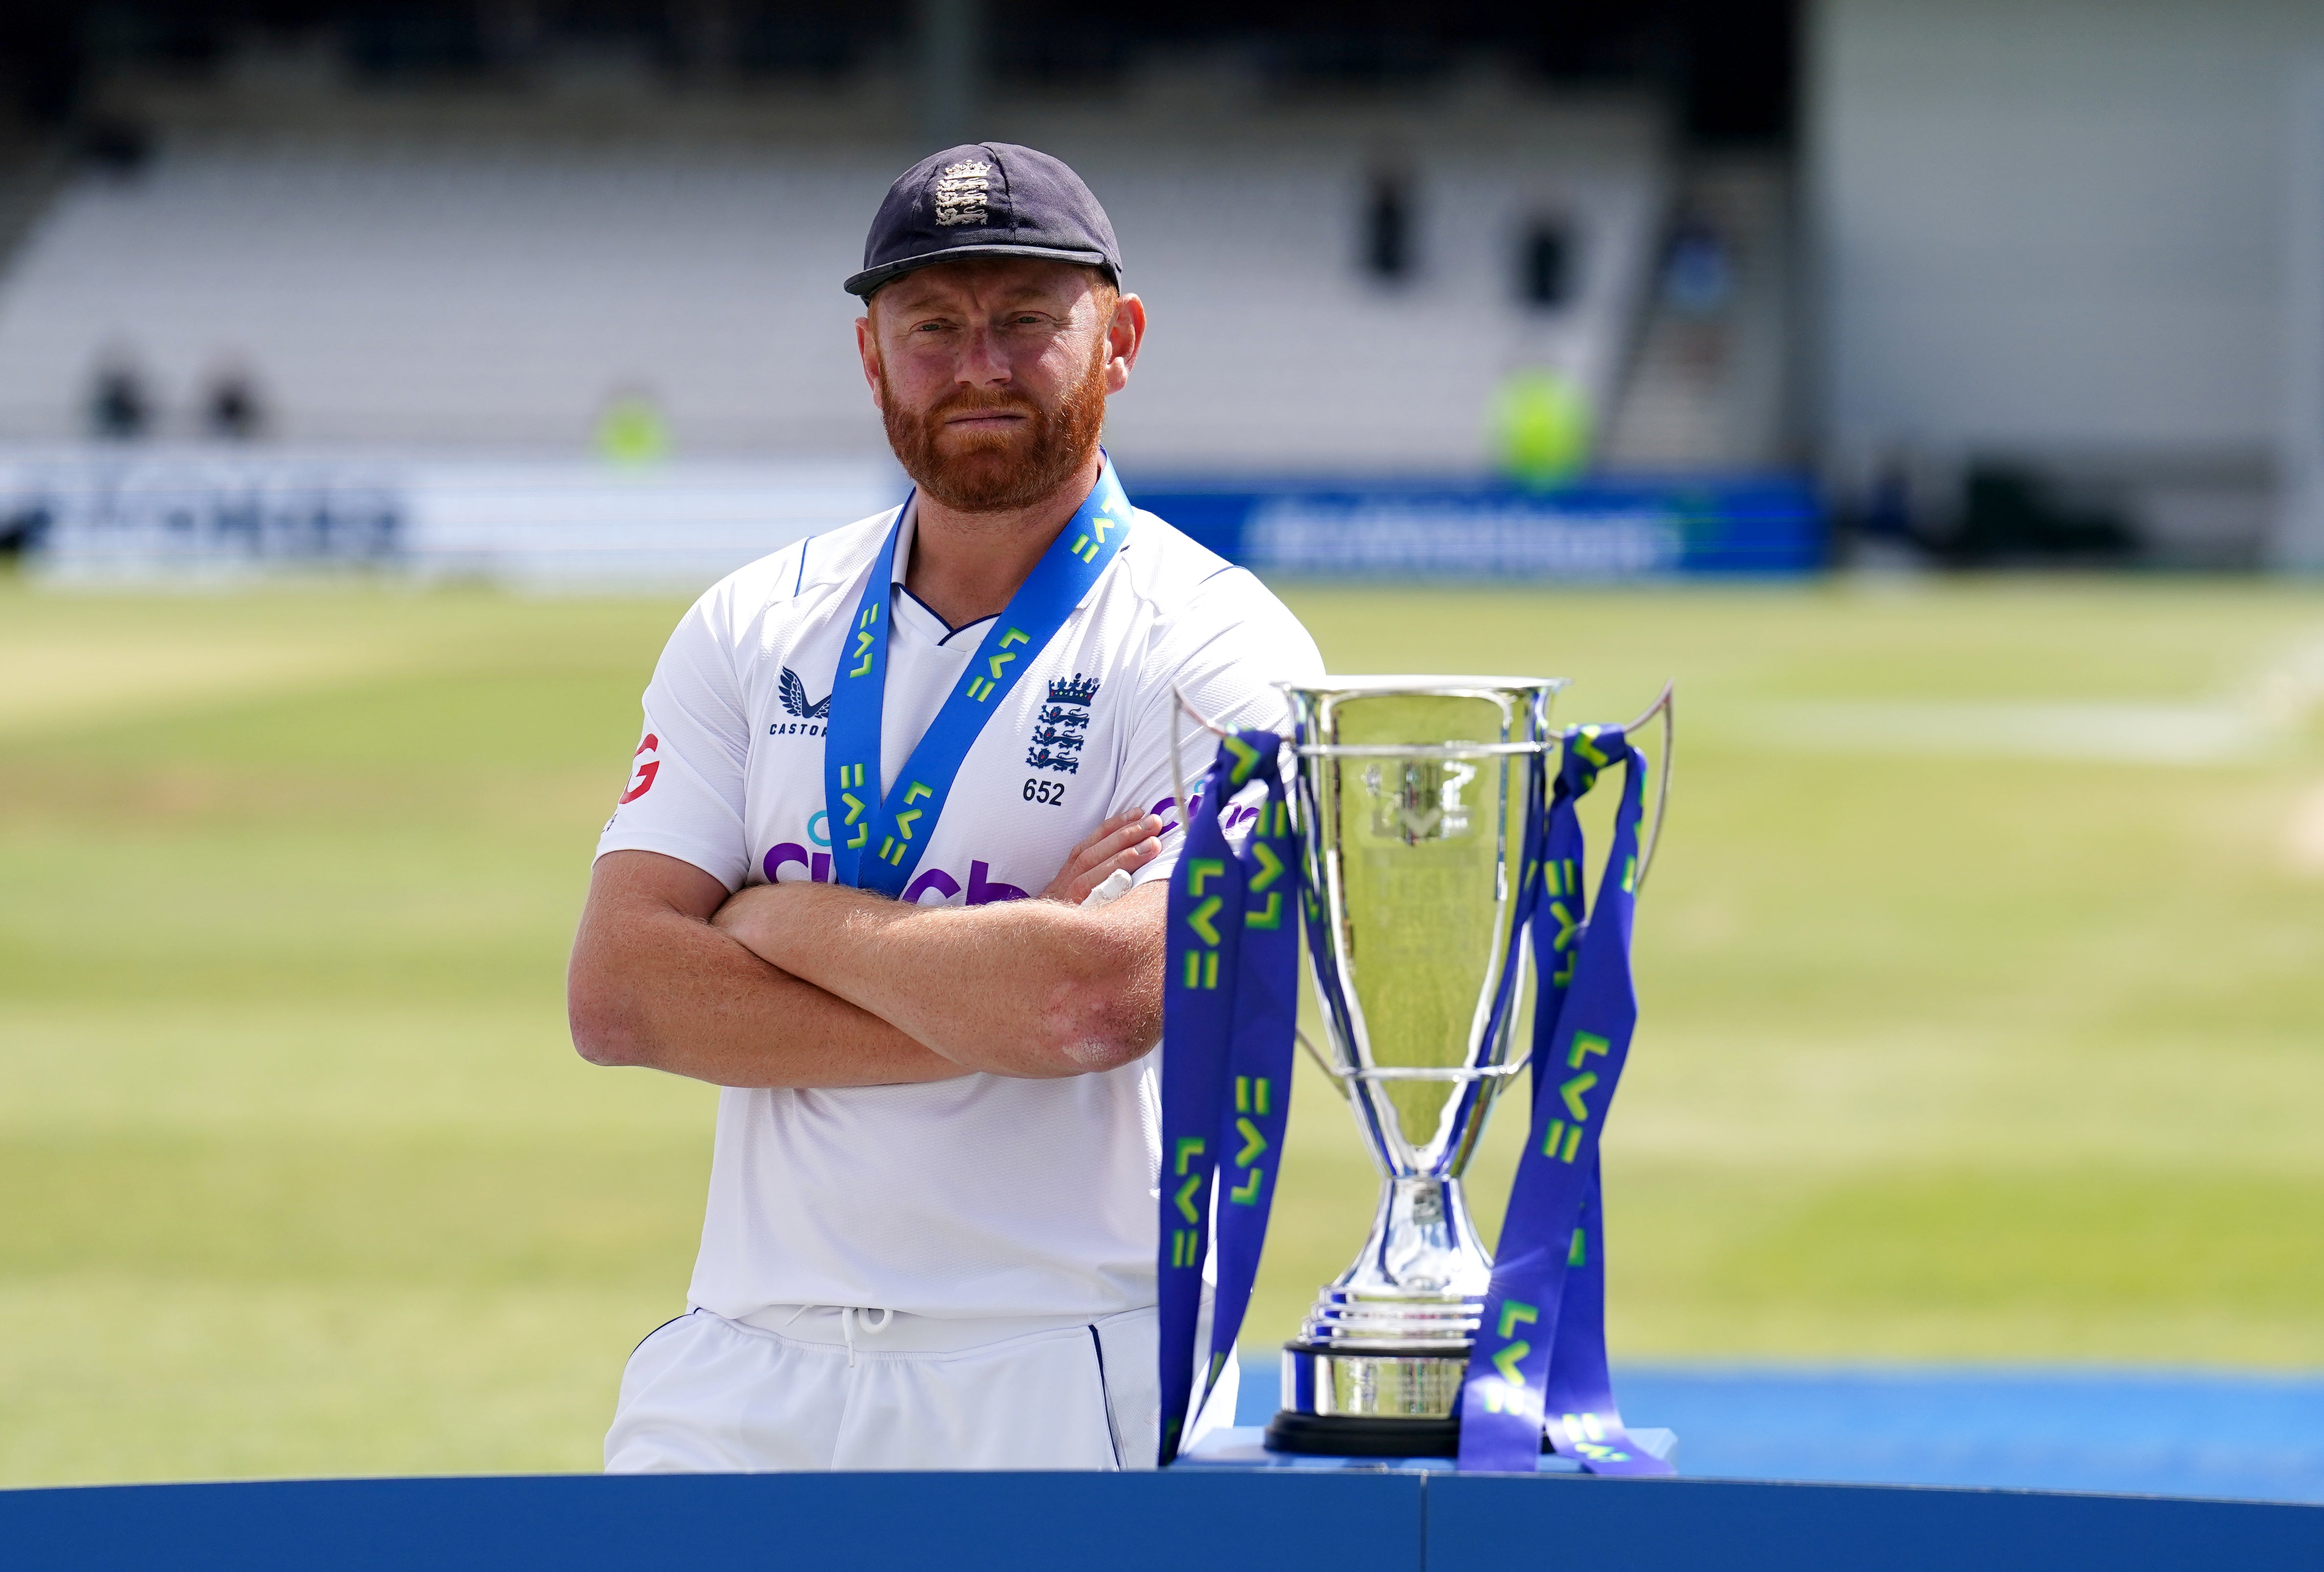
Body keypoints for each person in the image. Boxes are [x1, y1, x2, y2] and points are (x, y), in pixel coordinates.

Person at [568, 142, 1324, 1473]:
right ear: (871, 357)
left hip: (1063, 1355)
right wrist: (999, 963)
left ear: (1120, 337)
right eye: (932, 325)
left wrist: (776, 919)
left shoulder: (1218, 647)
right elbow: (622, 996)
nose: (978, 363)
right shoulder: (752, 623)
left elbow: (1098, 1002)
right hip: (745, 1351)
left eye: (1028, 318)